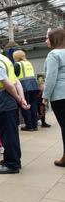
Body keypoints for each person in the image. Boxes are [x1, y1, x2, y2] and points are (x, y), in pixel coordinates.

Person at [0, 39, 29, 174]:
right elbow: (17, 82)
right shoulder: (6, 60)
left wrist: (18, 98)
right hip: (7, 101)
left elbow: (7, 83)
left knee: (7, 133)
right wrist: (22, 99)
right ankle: (14, 160)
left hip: (2, 101)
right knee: (11, 133)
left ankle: (11, 164)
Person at [42, 28, 65, 167]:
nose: (45, 40)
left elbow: (51, 78)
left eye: (47, 37)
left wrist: (45, 97)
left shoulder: (53, 54)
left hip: (60, 96)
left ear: (54, 39)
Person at [13, 50, 40, 131]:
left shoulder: (17, 64)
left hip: (24, 86)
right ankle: (35, 125)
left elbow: (13, 76)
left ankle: (29, 126)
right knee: (34, 106)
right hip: (34, 86)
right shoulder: (29, 63)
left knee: (25, 106)